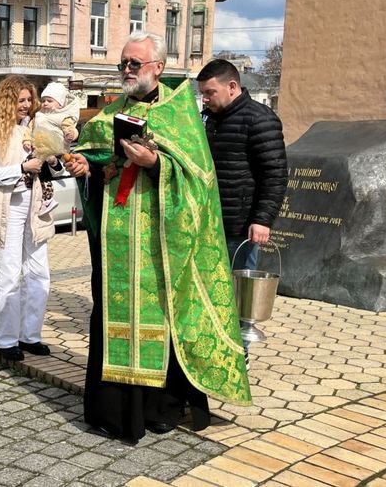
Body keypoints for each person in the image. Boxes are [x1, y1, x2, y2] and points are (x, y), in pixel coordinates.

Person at [65, 32, 251, 444]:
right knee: (110, 317)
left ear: (158, 67)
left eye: (135, 64)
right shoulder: (111, 110)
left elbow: (199, 179)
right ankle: (112, 412)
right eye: (123, 64)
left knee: (161, 319)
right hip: (116, 244)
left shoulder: (180, 112)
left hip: (161, 244)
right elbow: (97, 159)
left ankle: (160, 408)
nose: (127, 71)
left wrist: (155, 164)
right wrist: (85, 168)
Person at [0, 75, 59, 362]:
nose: (25, 106)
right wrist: (22, 167)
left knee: (39, 272)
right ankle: (5, 339)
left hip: (36, 206)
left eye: (28, 100)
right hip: (7, 207)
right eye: (19, 101)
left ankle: (30, 334)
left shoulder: (37, 127)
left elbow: (54, 165)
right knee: (9, 274)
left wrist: (52, 159)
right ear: (7, 103)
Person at [196, 59, 287, 270]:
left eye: (210, 92)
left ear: (232, 87)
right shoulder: (207, 119)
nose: (205, 99)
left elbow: (275, 174)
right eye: (203, 93)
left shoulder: (260, 119)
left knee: (238, 295)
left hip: (240, 228)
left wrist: (262, 220)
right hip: (208, 222)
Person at [23, 82, 80, 214]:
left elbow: (71, 128)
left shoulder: (62, 117)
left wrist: (71, 134)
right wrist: (26, 140)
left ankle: (47, 199)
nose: (45, 103)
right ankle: (44, 200)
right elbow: (29, 129)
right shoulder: (38, 116)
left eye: (50, 101)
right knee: (39, 173)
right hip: (39, 149)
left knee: (46, 174)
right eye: (43, 101)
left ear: (60, 104)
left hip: (56, 148)